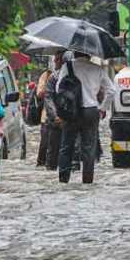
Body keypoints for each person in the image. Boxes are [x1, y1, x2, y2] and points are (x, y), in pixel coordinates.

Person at [57, 52, 115, 183]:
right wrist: (102, 108)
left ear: (75, 52)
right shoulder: (97, 68)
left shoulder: (67, 67)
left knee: (66, 146)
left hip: (71, 111)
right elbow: (112, 90)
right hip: (91, 111)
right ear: (90, 54)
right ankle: (87, 181)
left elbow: (58, 88)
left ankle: (63, 179)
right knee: (89, 148)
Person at [44, 51, 64, 170]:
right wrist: (55, 116)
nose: (54, 62)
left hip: (65, 120)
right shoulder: (53, 77)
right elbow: (48, 98)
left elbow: (48, 97)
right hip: (58, 120)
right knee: (53, 150)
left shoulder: (54, 77)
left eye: (57, 60)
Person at [36, 67, 53, 167]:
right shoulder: (46, 75)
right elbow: (39, 94)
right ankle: (41, 164)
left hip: (66, 116)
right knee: (44, 144)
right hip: (47, 115)